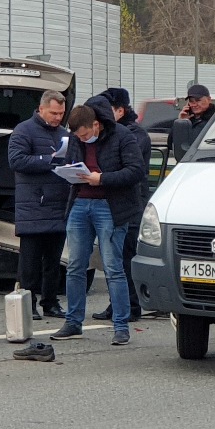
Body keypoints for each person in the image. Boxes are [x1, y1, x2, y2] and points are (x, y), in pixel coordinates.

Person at [50, 102, 146, 346]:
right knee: (74, 266)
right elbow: (73, 161)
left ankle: (121, 326)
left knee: (114, 268)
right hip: (80, 203)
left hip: (110, 206)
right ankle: (73, 322)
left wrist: (102, 178)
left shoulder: (122, 136)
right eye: (78, 137)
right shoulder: (76, 139)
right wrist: (70, 172)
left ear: (96, 125)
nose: (82, 140)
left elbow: (136, 171)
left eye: (85, 135)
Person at [7, 90, 70, 321]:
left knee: (53, 262)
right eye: (54, 113)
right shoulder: (23, 130)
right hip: (33, 206)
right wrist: (48, 160)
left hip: (58, 205)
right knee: (30, 263)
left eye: (61, 113)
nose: (58, 118)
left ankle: (50, 302)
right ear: (41, 109)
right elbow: (16, 160)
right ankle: (28, 303)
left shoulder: (64, 134)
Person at [89, 88, 151, 323]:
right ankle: (119, 304)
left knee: (125, 256)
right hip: (117, 203)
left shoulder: (133, 135)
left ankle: (129, 306)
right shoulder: (119, 133)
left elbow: (126, 169)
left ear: (119, 110)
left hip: (131, 204)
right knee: (116, 257)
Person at [176, 83, 215, 149]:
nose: (194, 105)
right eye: (191, 101)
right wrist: (181, 122)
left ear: (209, 100)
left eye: (198, 100)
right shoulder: (189, 121)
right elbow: (172, 144)